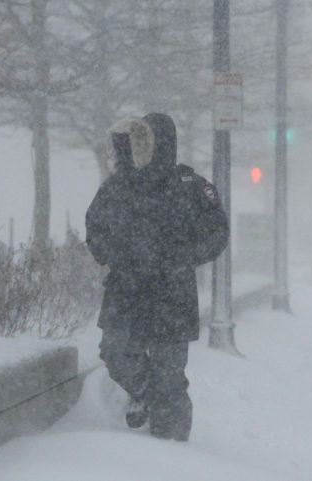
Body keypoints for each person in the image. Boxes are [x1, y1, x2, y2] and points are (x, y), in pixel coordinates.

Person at [85, 113, 229, 441]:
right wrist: (108, 254)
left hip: (172, 295)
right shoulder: (120, 185)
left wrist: (184, 257)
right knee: (116, 351)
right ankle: (148, 396)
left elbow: (217, 231)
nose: (139, 149)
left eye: (145, 141)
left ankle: (172, 450)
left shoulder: (190, 186)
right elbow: (95, 224)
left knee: (170, 377)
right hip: (127, 289)